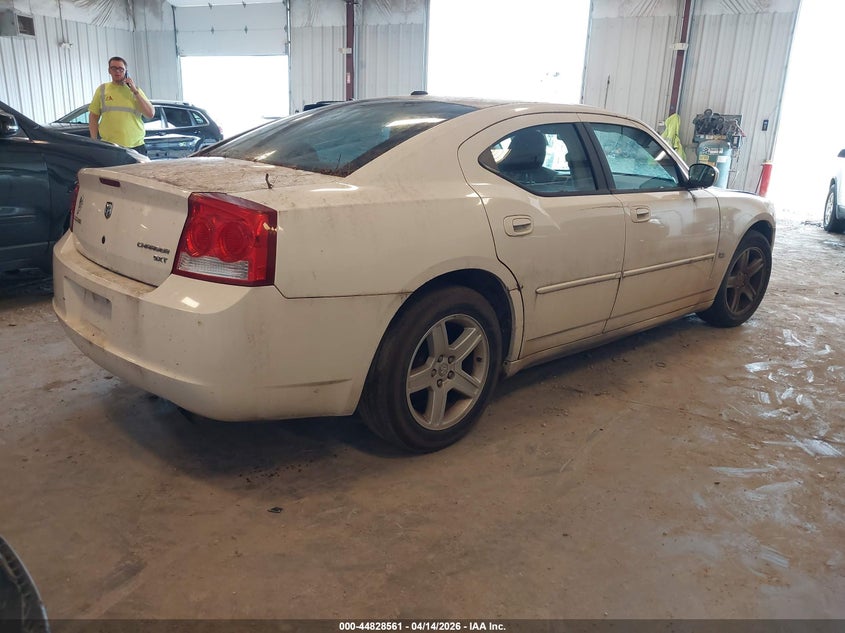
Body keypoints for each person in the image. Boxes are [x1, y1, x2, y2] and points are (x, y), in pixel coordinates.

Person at [88, 56, 155, 154]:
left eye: (121, 69)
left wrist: (135, 92)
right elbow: (93, 116)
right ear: (109, 70)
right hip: (109, 146)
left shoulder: (135, 90)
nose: (117, 71)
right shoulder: (102, 90)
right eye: (114, 68)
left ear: (126, 71)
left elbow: (150, 114)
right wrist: (94, 141)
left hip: (136, 146)